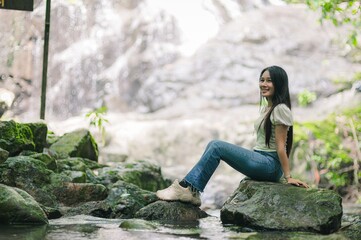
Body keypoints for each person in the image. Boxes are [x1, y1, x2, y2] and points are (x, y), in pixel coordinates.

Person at [156, 65, 309, 206]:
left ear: (279, 84)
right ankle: (193, 192)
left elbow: (281, 146)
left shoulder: (280, 109)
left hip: (270, 165)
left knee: (216, 146)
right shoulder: (268, 108)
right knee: (212, 145)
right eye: (262, 80)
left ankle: (185, 188)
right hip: (262, 160)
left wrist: (288, 177)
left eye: (269, 81)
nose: (264, 84)